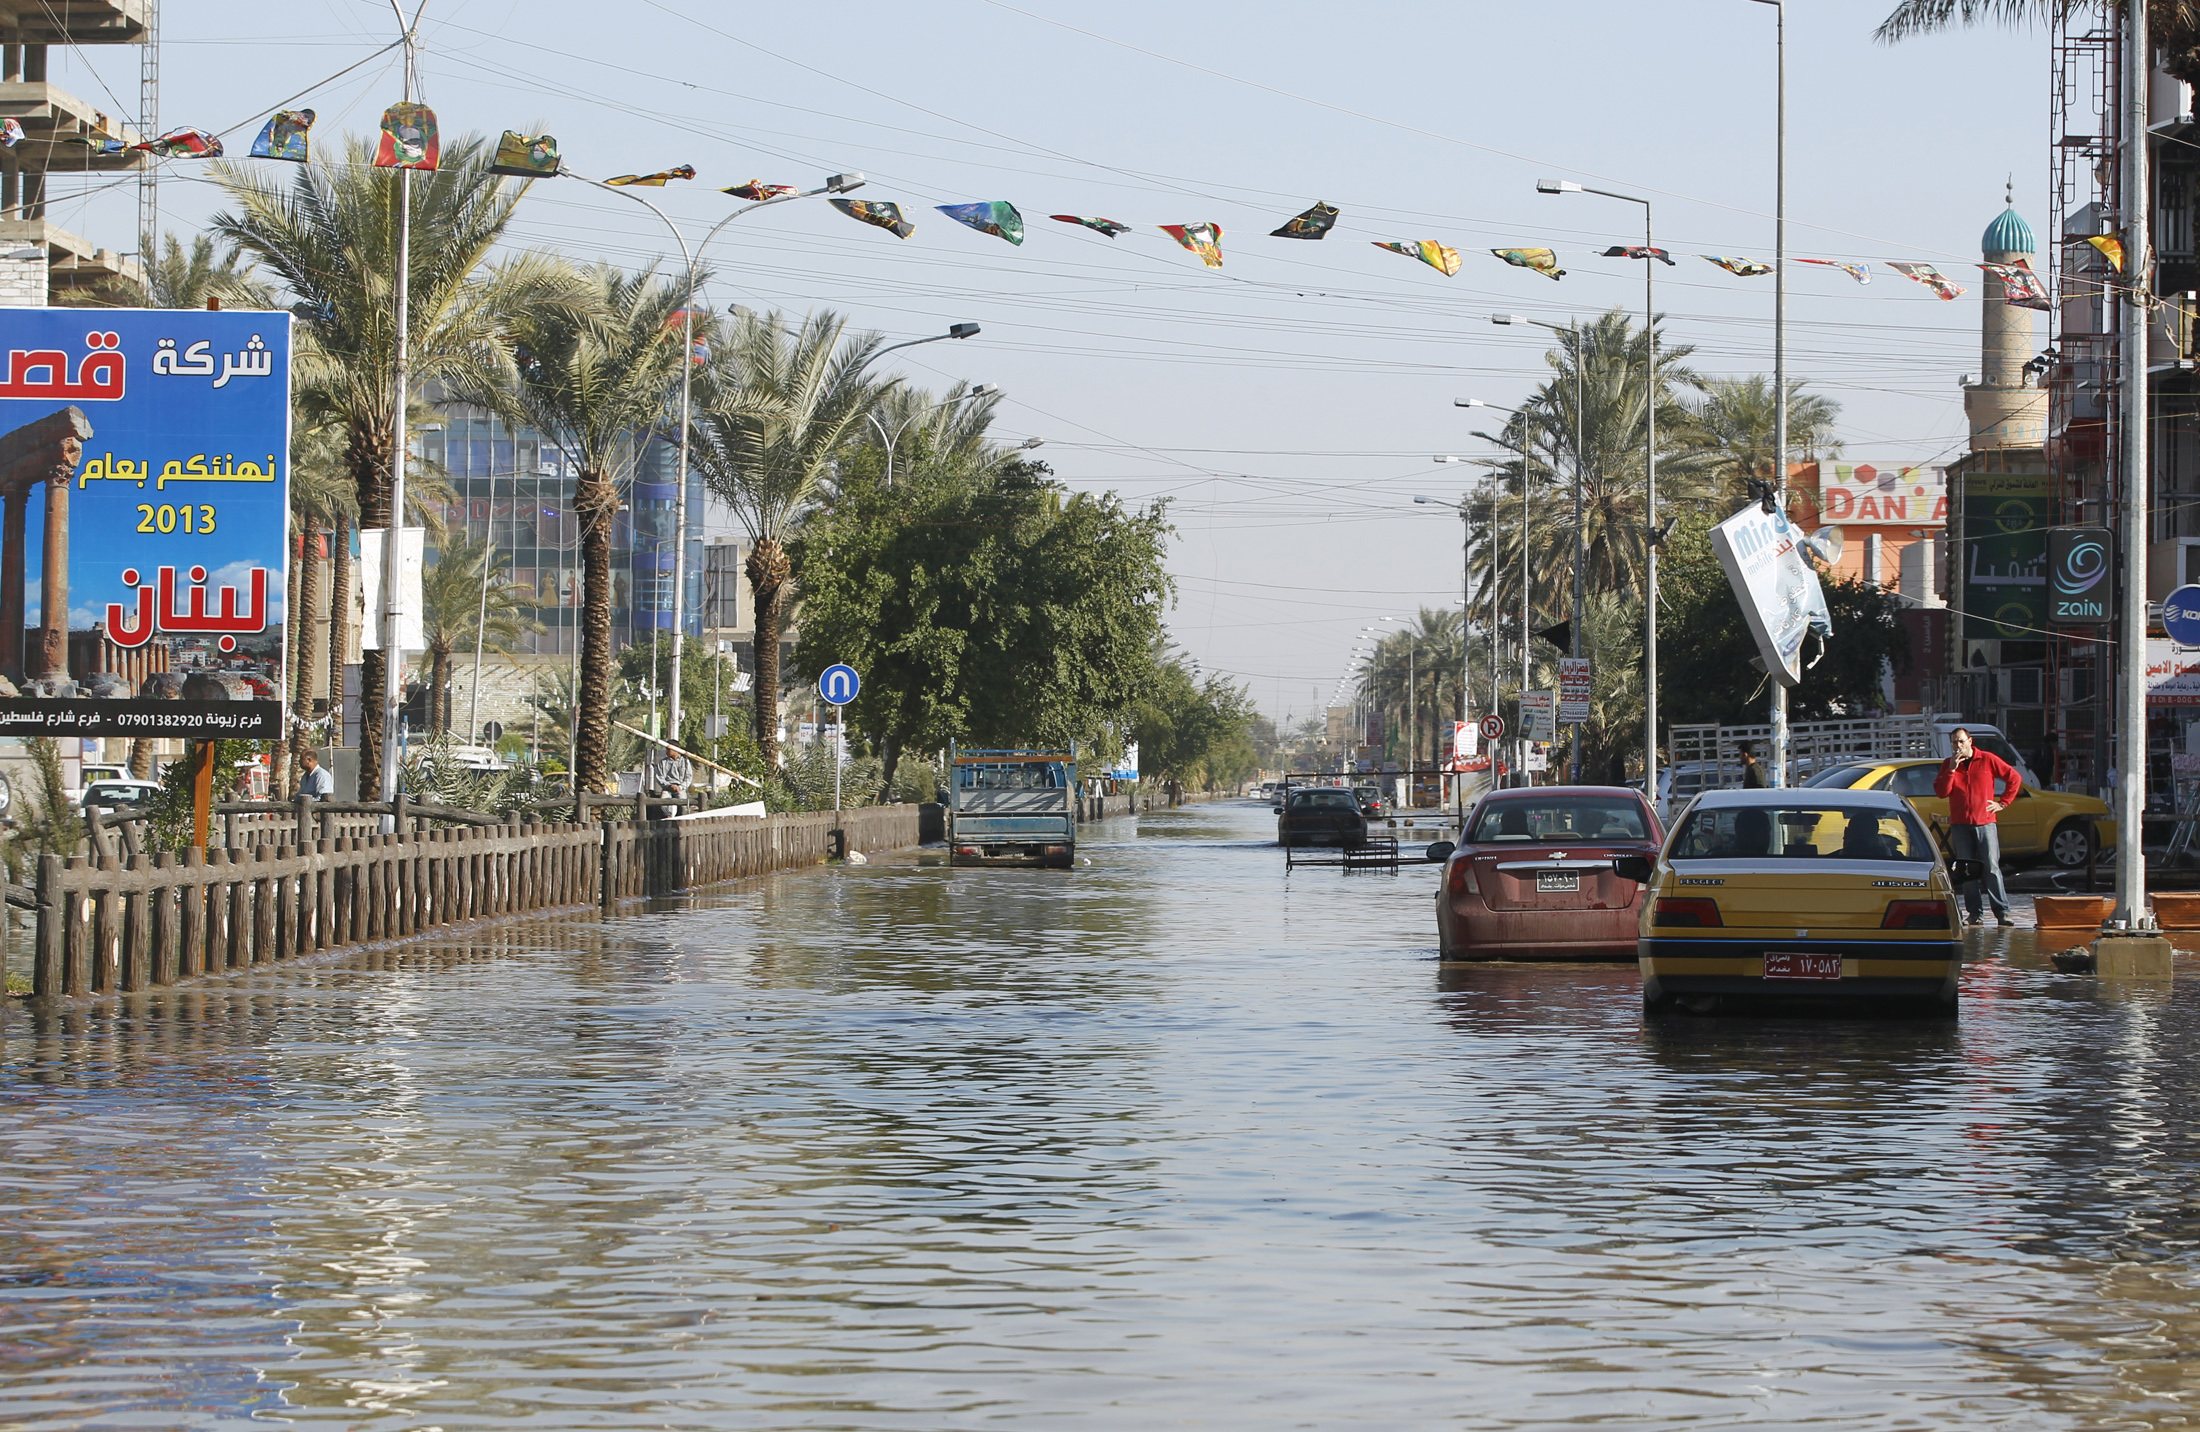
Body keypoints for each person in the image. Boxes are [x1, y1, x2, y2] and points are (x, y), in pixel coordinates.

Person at [1934, 726, 2019, 925]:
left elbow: (2014, 778)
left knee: (1991, 868)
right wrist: (1952, 770)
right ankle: (1975, 914)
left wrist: (2002, 803)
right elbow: (1942, 791)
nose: (1958, 746)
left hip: (1986, 823)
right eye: (1954, 742)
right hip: (1961, 825)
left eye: (1961, 741)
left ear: (1970, 741)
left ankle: (2002, 912)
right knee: (1967, 870)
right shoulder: (1948, 764)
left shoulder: (1987, 759)